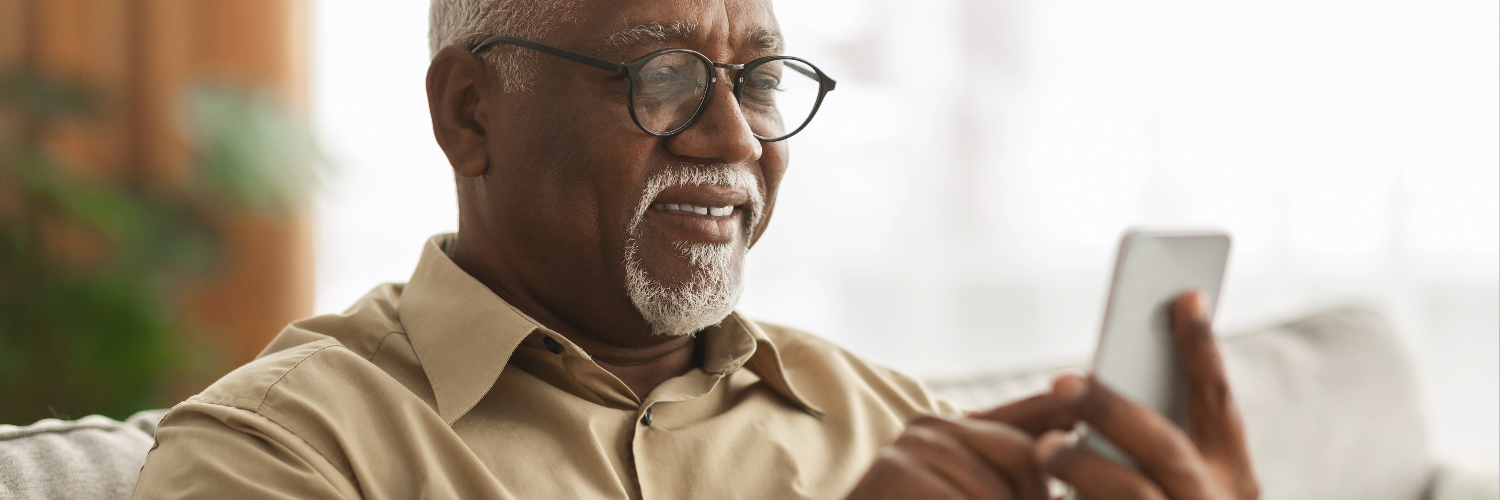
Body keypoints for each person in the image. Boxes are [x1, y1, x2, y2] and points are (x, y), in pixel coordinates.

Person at [133, 0, 1259, 498]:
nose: (732, 139)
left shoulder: (892, 419)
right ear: (472, 113)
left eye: (759, 80)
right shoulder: (278, 454)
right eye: (662, 77)